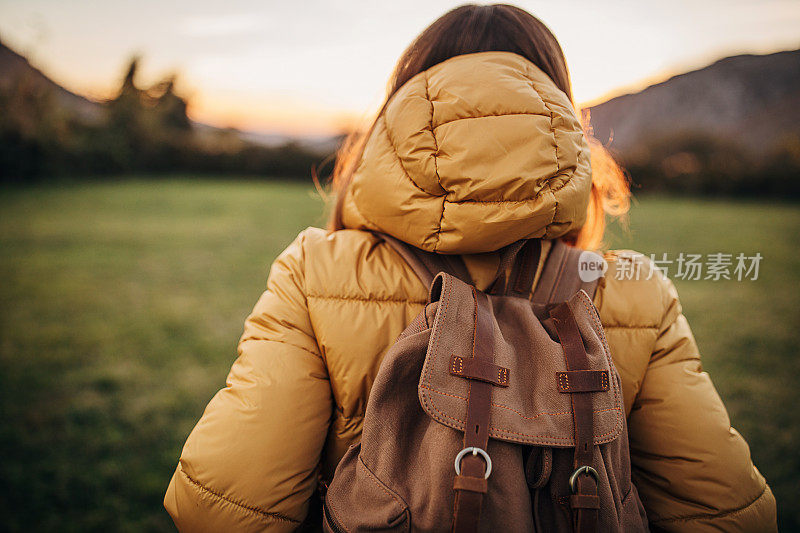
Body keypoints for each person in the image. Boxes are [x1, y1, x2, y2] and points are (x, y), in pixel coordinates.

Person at [164, 4, 776, 531]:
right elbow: (725, 515)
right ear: (560, 120)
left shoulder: (315, 270)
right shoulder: (635, 290)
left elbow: (223, 511)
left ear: (400, 111)